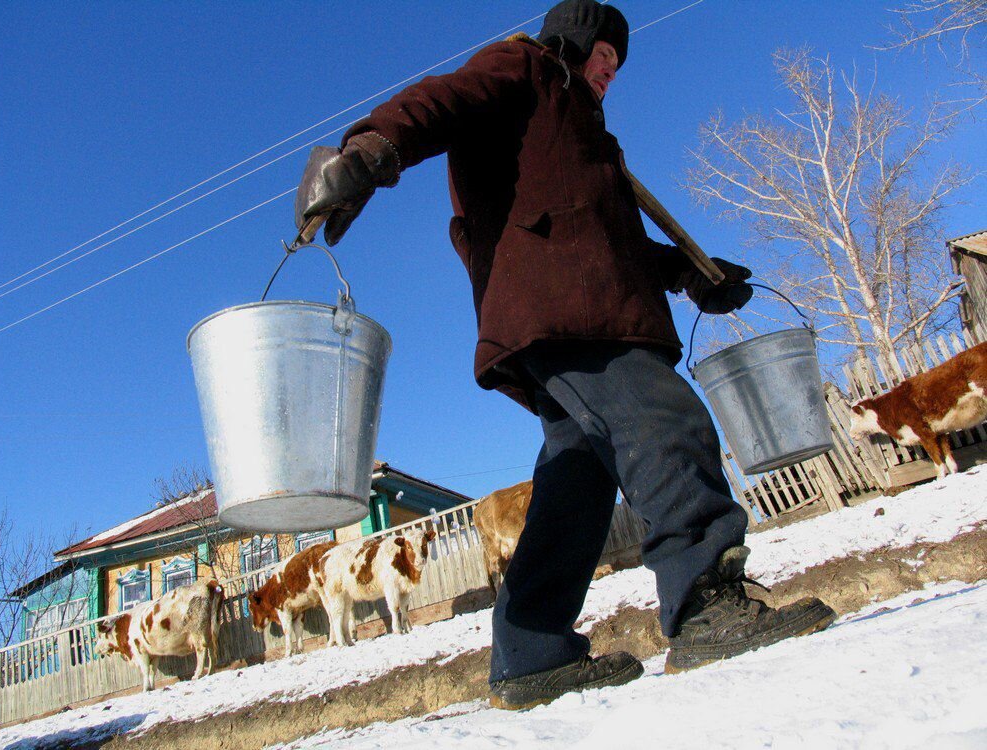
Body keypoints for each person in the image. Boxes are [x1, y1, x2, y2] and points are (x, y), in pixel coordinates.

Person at [295, 0, 835, 710]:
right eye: (603, 56)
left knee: (578, 476)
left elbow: (609, 242)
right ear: (573, 43)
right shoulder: (524, 66)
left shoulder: (583, 136)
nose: (610, 71)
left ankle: (532, 654)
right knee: (663, 421)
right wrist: (368, 151)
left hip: (579, 299)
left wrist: (690, 274)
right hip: (561, 305)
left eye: (618, 65)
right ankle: (706, 605)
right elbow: (443, 100)